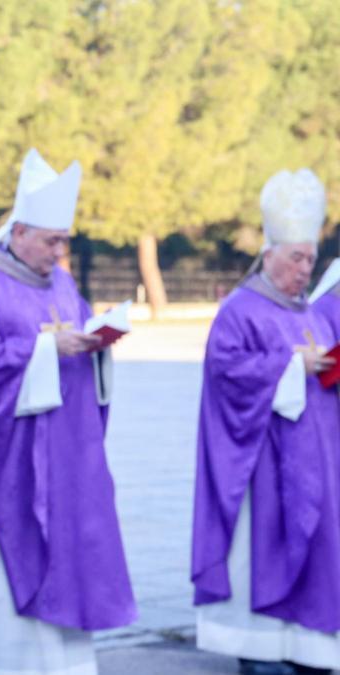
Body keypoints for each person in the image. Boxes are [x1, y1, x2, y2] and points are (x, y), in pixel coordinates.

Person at [0, 148, 136, 674]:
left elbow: (79, 331)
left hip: (67, 453)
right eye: (51, 240)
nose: (59, 251)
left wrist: (97, 344)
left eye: (63, 240)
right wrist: (47, 351)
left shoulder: (63, 284)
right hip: (11, 461)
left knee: (68, 558)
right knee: (10, 575)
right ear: (19, 232)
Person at [193, 169, 340, 675]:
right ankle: (258, 652)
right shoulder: (240, 310)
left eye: (311, 260)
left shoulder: (314, 314)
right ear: (270, 253)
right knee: (262, 554)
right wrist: (291, 367)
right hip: (262, 470)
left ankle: (305, 650)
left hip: (314, 467)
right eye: (296, 258)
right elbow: (227, 373)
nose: (305, 269)